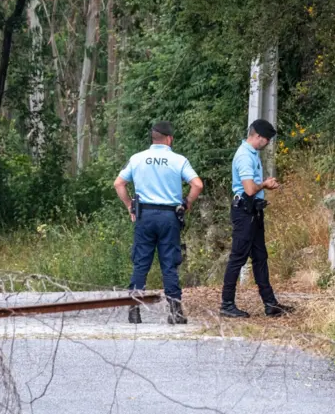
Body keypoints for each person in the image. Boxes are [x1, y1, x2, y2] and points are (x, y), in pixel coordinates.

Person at [114, 121, 203, 325]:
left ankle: (134, 310)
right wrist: (187, 202)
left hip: (144, 215)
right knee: (169, 264)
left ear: (153, 138)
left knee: (141, 262)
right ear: (169, 139)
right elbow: (197, 184)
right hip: (169, 217)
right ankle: (175, 312)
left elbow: (119, 183)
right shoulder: (178, 160)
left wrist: (129, 205)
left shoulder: (137, 159)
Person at [219, 119, 294, 318]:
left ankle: (270, 304)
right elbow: (250, 189)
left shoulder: (252, 154)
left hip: (253, 211)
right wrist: (265, 185)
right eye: (267, 140)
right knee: (238, 257)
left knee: (260, 257)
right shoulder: (244, 156)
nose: (267, 144)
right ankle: (226, 303)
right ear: (258, 136)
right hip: (244, 211)